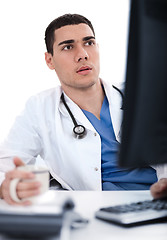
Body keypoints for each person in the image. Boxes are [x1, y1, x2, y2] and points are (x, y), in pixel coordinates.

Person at [0, 14, 167, 205]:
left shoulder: (139, 93)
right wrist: (6, 186)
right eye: (68, 47)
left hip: (156, 201)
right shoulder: (40, 108)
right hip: (99, 210)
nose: (82, 54)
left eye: (88, 43)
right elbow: (4, 167)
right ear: (49, 60)